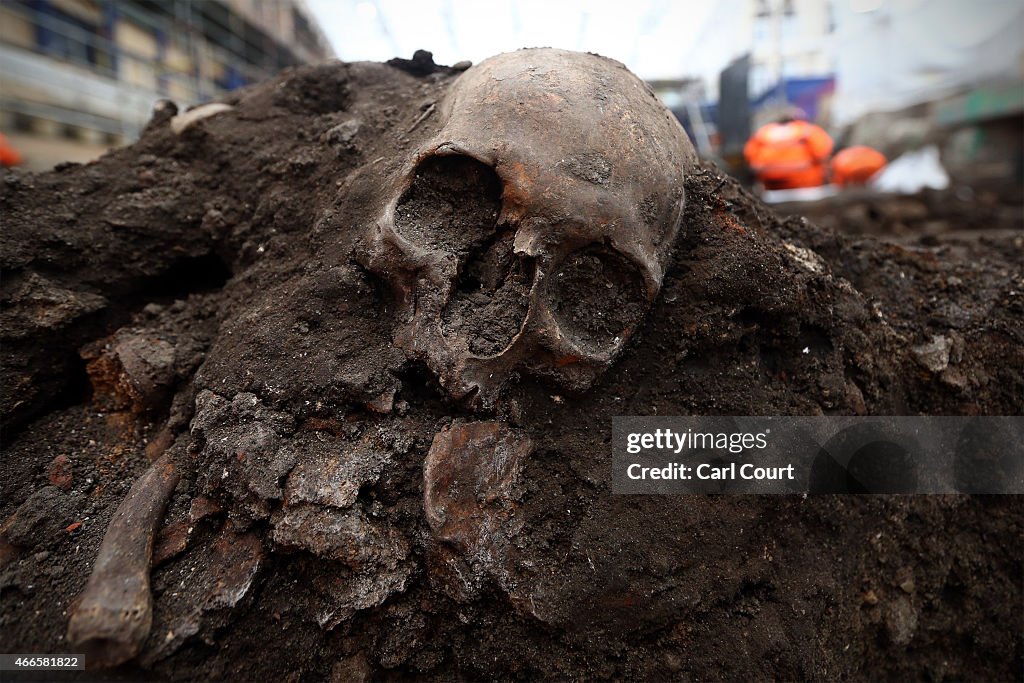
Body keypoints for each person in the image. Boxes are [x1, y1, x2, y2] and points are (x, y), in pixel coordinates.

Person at [743, 116, 833, 190]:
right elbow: (821, 152)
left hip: (771, 181)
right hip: (804, 181)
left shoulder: (764, 132)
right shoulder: (806, 129)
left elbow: (749, 155)